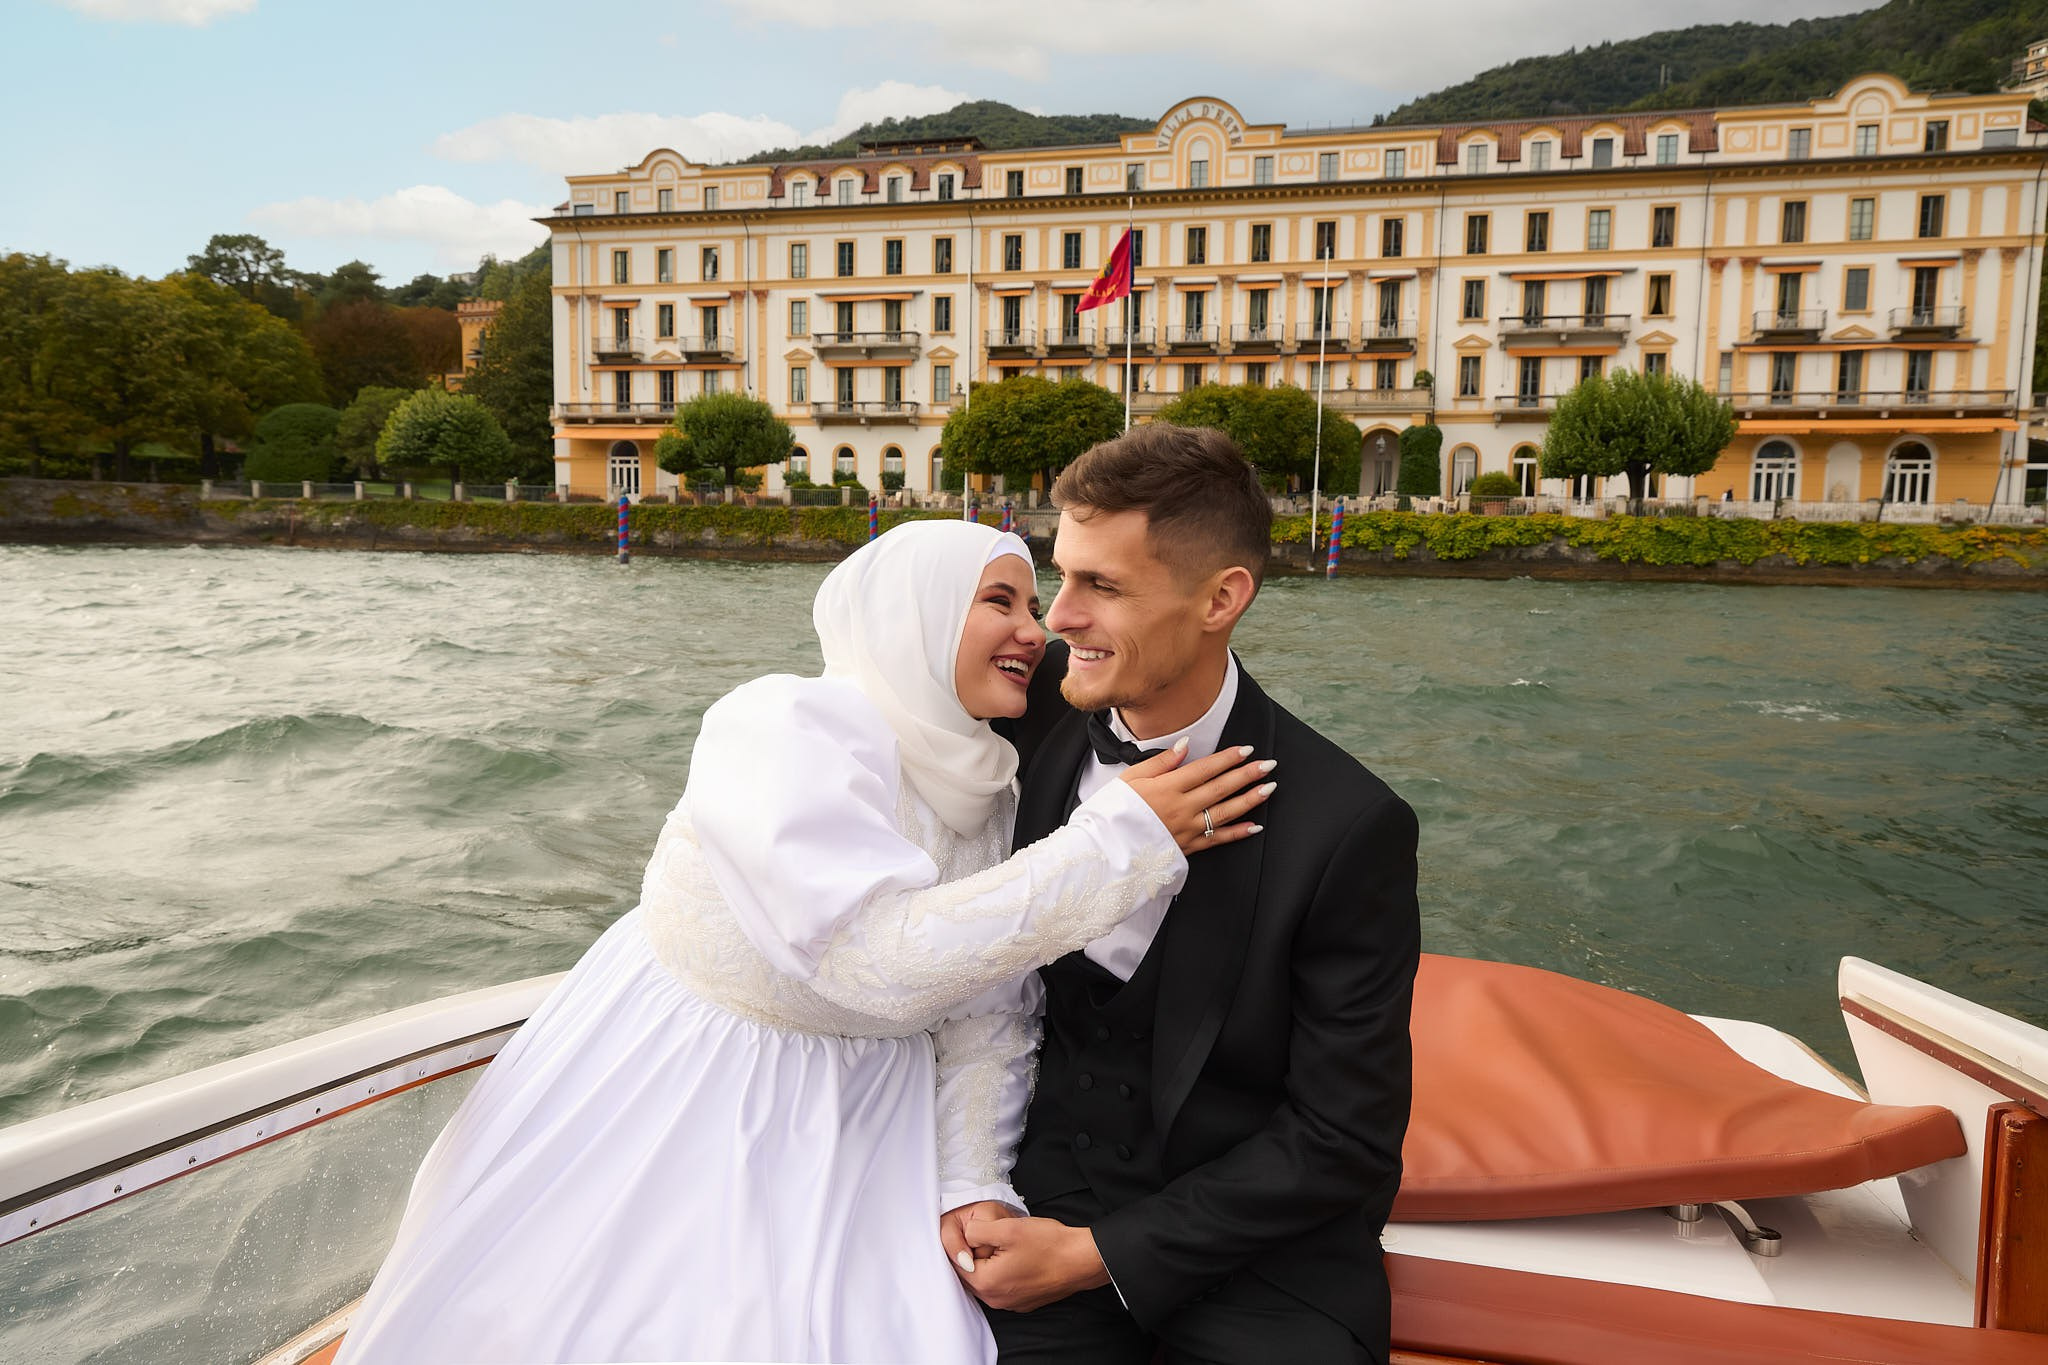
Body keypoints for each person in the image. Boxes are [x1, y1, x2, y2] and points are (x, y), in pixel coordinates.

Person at [334, 519, 1275, 1365]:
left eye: (1036, 603)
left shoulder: (989, 785)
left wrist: (970, 1177)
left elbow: (988, 1007)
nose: (1037, 628)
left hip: (872, 1113)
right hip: (691, 1089)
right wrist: (1120, 843)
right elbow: (874, 959)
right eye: (1000, 599)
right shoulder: (783, 726)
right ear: (912, 614)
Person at [952, 425, 1422, 1364]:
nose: (1058, 619)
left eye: (1104, 587)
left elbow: (1344, 1137)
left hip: (1256, 1258)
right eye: (1061, 575)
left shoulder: (1348, 824)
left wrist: (1097, 1258)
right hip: (1038, 1200)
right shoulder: (1026, 693)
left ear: (1222, 598)